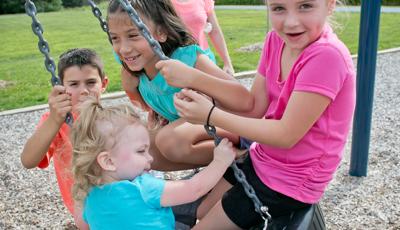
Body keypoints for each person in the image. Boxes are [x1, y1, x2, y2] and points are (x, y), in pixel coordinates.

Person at [158, 0, 356, 228]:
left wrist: (210, 114)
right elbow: (254, 107)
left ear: (329, 5)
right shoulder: (276, 40)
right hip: (263, 157)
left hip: (290, 181)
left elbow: (286, 134)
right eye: (278, 8)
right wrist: (193, 78)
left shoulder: (326, 56)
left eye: (305, 6)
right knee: (199, 210)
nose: (291, 22)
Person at [106, 0, 252, 170]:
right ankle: (211, 173)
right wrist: (130, 88)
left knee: (168, 140)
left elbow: (245, 100)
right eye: (115, 38)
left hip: (232, 125)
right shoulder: (135, 71)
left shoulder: (187, 59)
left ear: (161, 32)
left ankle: (243, 157)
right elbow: (146, 107)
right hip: (194, 132)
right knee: (142, 148)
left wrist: (192, 77)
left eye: (133, 35)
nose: (124, 49)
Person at [70, 97, 236, 229]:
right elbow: (194, 189)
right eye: (141, 151)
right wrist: (220, 161)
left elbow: (84, 225)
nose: (150, 158)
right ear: (108, 161)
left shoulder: (89, 196)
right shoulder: (142, 188)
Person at [20, 48, 109, 229]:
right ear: (61, 87)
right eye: (74, 84)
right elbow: (28, 160)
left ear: (104, 83)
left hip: (116, 200)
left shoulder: (112, 118)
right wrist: (54, 119)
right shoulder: (56, 123)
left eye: (91, 82)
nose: (83, 91)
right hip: (84, 210)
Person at [171, 0, 234, 75]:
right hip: (176, 64)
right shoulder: (161, 2)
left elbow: (215, 31)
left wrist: (227, 63)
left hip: (205, 60)